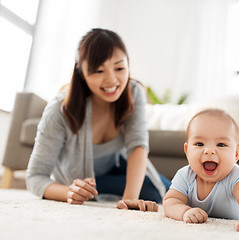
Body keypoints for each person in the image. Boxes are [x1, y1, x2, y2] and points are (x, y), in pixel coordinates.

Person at [26, 28, 171, 211]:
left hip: (117, 165)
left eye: (119, 68)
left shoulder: (134, 92)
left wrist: (129, 200)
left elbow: (138, 145)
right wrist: (69, 192)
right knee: (152, 193)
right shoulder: (59, 109)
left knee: (171, 191)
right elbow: (35, 177)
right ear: (80, 72)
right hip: (83, 180)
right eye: (98, 71)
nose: (111, 80)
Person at [163, 108, 239, 233]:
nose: (209, 150)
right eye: (199, 144)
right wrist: (184, 211)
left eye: (221, 145)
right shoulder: (185, 175)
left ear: (236, 154)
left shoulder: (237, 176)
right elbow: (170, 201)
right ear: (187, 151)